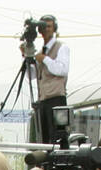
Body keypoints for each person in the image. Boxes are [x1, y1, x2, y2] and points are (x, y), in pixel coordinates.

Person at [25, 15, 69, 143]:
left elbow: (62, 70)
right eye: (43, 27)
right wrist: (26, 56)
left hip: (56, 98)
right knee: (44, 139)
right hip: (43, 99)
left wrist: (45, 59)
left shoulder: (61, 47)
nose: (46, 30)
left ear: (54, 28)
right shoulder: (41, 51)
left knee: (57, 138)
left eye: (49, 26)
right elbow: (32, 75)